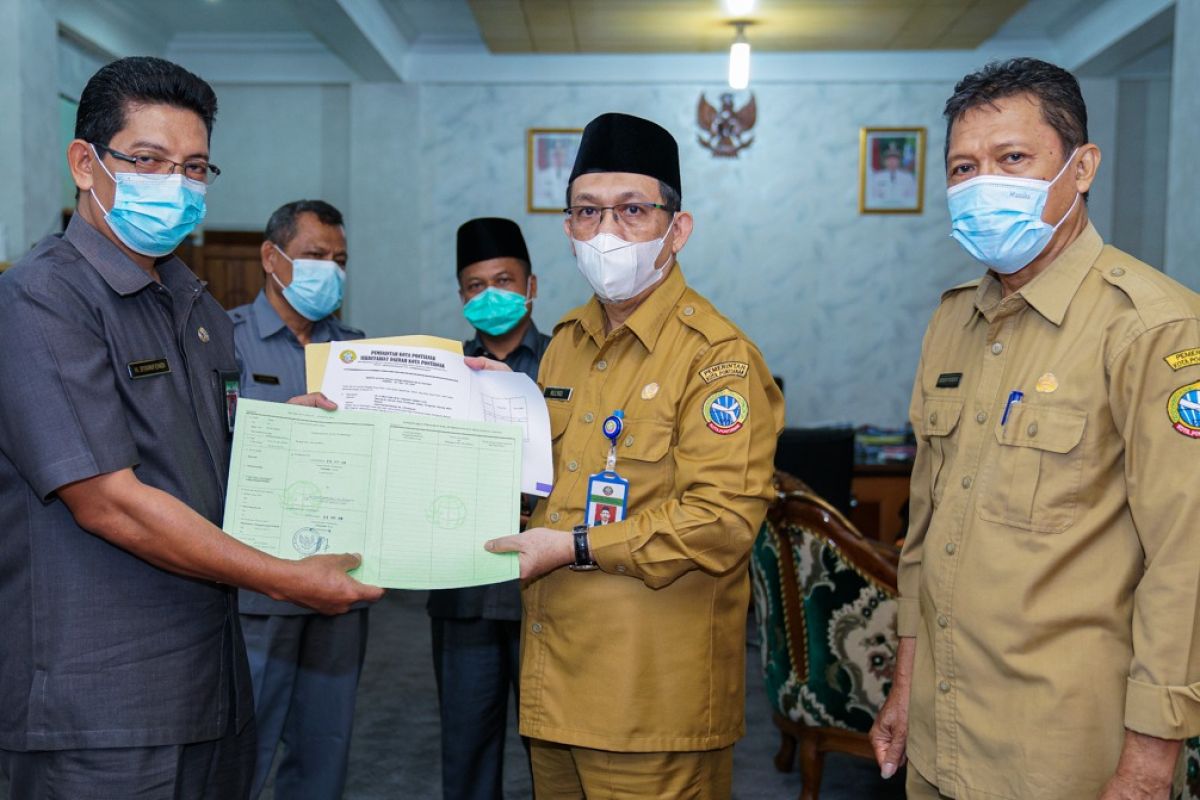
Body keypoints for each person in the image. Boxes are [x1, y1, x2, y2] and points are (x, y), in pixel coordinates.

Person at [0, 57, 381, 800]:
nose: (175, 184)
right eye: (148, 161)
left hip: (211, 685)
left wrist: (279, 435)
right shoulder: (41, 299)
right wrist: (289, 579)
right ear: (86, 163)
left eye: (196, 167)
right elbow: (106, 498)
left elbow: (203, 449)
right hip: (101, 706)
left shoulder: (194, 304)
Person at [869, 57, 1200, 799]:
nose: (983, 182)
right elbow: (924, 536)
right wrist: (905, 690)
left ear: (1081, 168)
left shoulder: (1153, 327)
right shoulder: (952, 319)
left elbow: (1187, 565)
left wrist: (1150, 764)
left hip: (1063, 755)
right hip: (939, 737)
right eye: (963, 166)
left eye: (1012, 158)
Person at [486, 113, 784, 798]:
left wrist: (577, 547)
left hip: (652, 701)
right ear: (567, 228)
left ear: (676, 229)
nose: (607, 232)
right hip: (555, 683)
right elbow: (539, 490)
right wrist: (481, 420)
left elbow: (721, 524)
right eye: (587, 212)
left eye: (632, 211)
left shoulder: (716, 358)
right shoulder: (564, 341)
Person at [229, 199, 369, 800]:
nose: (329, 271)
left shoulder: (360, 354)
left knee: (324, 747)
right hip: (259, 586)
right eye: (315, 257)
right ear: (272, 257)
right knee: (243, 743)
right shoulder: (222, 340)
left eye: (339, 259)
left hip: (340, 582)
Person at [428, 216, 548, 800]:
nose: (491, 294)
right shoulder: (441, 375)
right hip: (464, 589)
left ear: (531, 287)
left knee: (555, 750)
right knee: (467, 748)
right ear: (461, 297)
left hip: (547, 592)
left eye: (504, 280)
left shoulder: (569, 367)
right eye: (476, 286)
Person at [867, 141, 918, 208]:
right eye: (889, 158)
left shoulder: (908, 177)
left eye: (895, 158)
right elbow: (873, 198)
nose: (892, 161)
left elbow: (912, 198)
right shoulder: (876, 177)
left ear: (899, 161)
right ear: (884, 161)